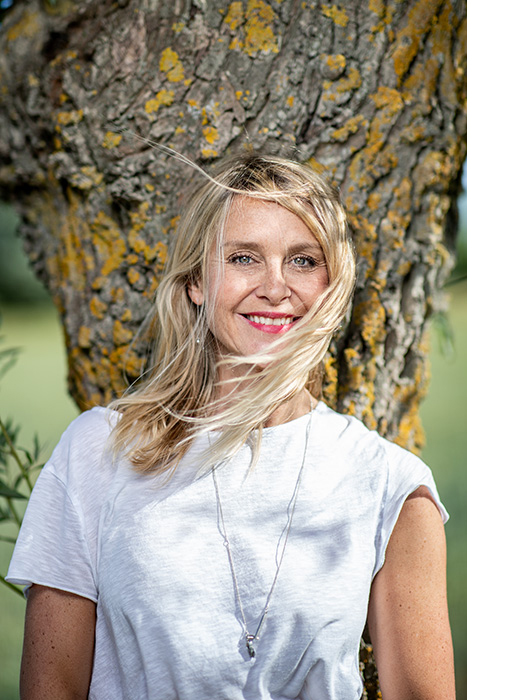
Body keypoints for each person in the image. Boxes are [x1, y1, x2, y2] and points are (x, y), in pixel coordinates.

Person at [7, 151, 455, 700]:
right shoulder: (99, 452)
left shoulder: (391, 485)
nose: (275, 287)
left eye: (304, 261)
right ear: (197, 281)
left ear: (332, 286)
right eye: (244, 258)